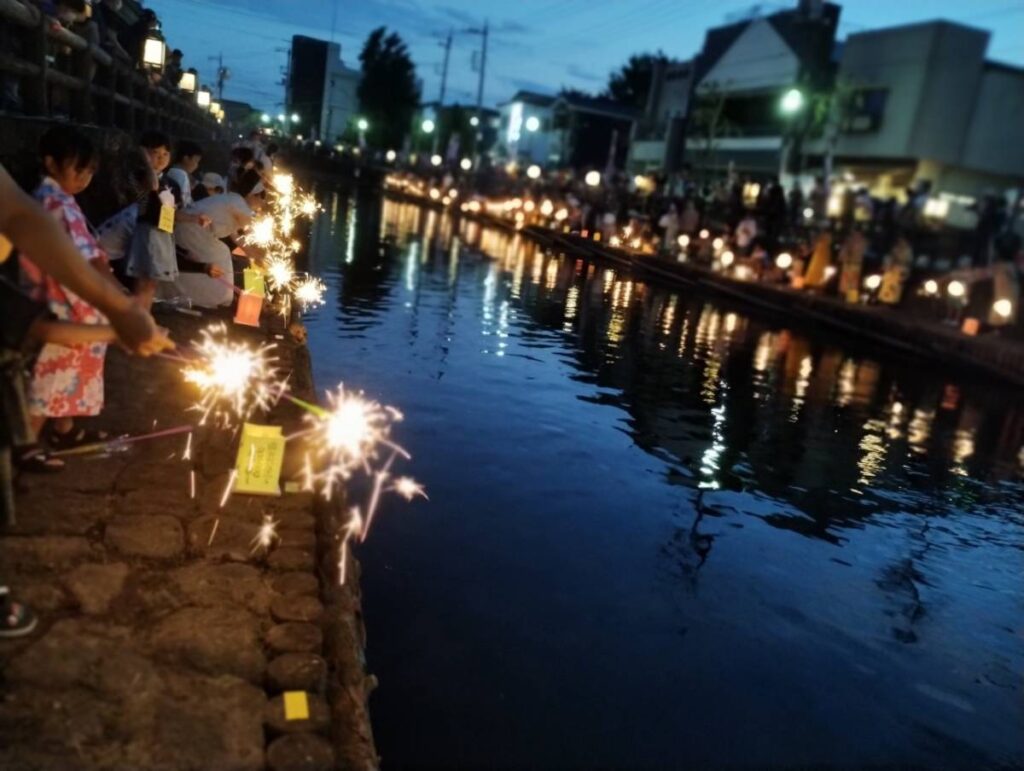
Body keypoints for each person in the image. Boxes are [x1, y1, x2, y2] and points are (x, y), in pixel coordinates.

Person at [0, 162, 169, 637]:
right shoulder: (51, 206)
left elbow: (19, 218)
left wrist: (120, 317)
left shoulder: (40, 210)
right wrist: (121, 315)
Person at [18, 126, 119, 461]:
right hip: (58, 303)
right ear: (51, 163)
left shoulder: (54, 198)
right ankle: (24, 445)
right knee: (52, 374)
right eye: (78, 168)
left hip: (63, 297)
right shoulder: (54, 203)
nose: (84, 177)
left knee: (66, 370)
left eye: (89, 171)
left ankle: (64, 429)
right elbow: (86, 257)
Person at [173, 193, 252, 308]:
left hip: (197, 229)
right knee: (221, 253)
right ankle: (215, 296)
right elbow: (250, 227)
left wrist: (251, 252)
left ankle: (218, 294)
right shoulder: (239, 204)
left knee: (221, 252)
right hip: (192, 228)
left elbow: (235, 236)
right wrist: (256, 253)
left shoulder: (234, 201)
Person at [164, 140, 203, 209]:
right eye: (196, 161)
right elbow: (185, 203)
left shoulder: (172, 171)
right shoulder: (180, 174)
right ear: (186, 158)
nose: (197, 165)